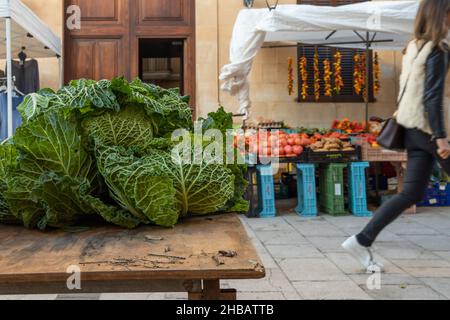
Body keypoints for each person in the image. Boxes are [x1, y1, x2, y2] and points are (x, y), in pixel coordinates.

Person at [342, 0, 450, 271]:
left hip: (412, 128)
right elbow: (432, 97)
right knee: (410, 193)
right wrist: (441, 137)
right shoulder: (438, 49)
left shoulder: (414, 47)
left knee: (411, 192)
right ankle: (362, 240)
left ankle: (361, 240)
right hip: (427, 131)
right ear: (442, 15)